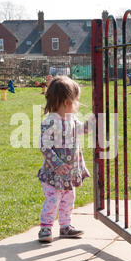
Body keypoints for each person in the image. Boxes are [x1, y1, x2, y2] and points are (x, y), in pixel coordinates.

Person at [37, 76, 94, 243]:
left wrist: (92, 121)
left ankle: (65, 226)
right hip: (54, 174)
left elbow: (83, 130)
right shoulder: (49, 122)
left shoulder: (72, 120)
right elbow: (44, 146)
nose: (77, 104)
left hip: (69, 172)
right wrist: (57, 164)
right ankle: (45, 228)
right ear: (66, 102)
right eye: (76, 100)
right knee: (53, 200)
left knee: (69, 199)